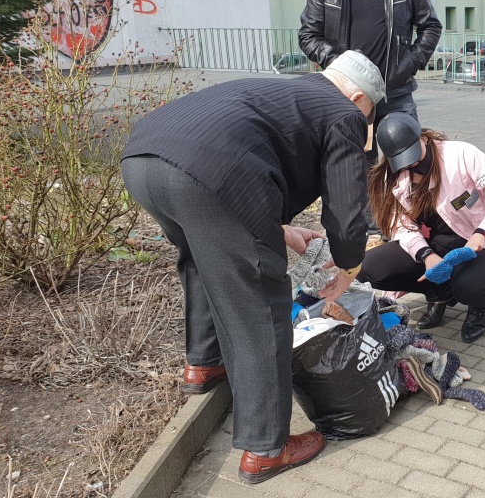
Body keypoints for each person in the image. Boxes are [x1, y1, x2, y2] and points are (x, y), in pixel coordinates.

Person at [120, 51, 385, 484]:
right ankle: (266, 448)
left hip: (143, 161)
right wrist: (351, 262)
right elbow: (344, 204)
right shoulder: (345, 113)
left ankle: (203, 365)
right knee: (260, 302)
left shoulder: (287, 92)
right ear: (358, 97)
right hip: (208, 176)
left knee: (202, 259)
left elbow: (241, 155)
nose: (365, 124)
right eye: (369, 113)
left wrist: (280, 229)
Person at [357, 114, 485, 343]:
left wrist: (482, 232)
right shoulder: (392, 175)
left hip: (479, 244)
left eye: (412, 155)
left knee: (471, 285)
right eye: (402, 160)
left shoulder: (462, 155)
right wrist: (425, 254)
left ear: (424, 137)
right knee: (366, 267)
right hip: (431, 245)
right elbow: (401, 226)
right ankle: (438, 294)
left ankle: (477, 308)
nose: (410, 164)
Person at [299, 0, 442, 169]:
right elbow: (308, 35)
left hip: (395, 92)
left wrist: (411, 63)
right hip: (347, 97)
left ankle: (411, 208)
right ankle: (368, 209)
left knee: (411, 166)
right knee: (357, 171)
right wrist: (341, 66)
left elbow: (430, 26)